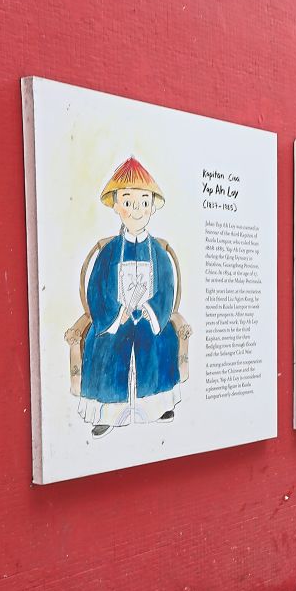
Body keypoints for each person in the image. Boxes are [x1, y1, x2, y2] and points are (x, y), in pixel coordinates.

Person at [70, 157, 187, 438]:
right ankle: (107, 413)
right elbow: (95, 290)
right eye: (129, 201)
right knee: (107, 346)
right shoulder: (108, 252)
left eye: (144, 202)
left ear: (152, 207)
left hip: (148, 320)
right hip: (115, 320)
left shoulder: (158, 253)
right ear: (117, 205)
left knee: (158, 341)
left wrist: (149, 310)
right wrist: (115, 315)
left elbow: (167, 290)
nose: (137, 210)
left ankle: (158, 405)